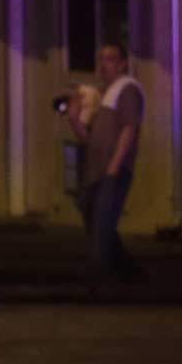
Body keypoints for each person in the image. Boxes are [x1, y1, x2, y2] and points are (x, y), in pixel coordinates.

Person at [63, 42, 144, 284]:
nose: (103, 65)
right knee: (96, 218)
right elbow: (90, 138)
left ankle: (99, 274)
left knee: (102, 222)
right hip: (96, 172)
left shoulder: (127, 88)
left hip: (112, 171)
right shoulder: (105, 94)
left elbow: (129, 128)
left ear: (122, 63)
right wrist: (74, 120)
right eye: (100, 59)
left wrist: (113, 168)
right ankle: (130, 272)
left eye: (109, 59)